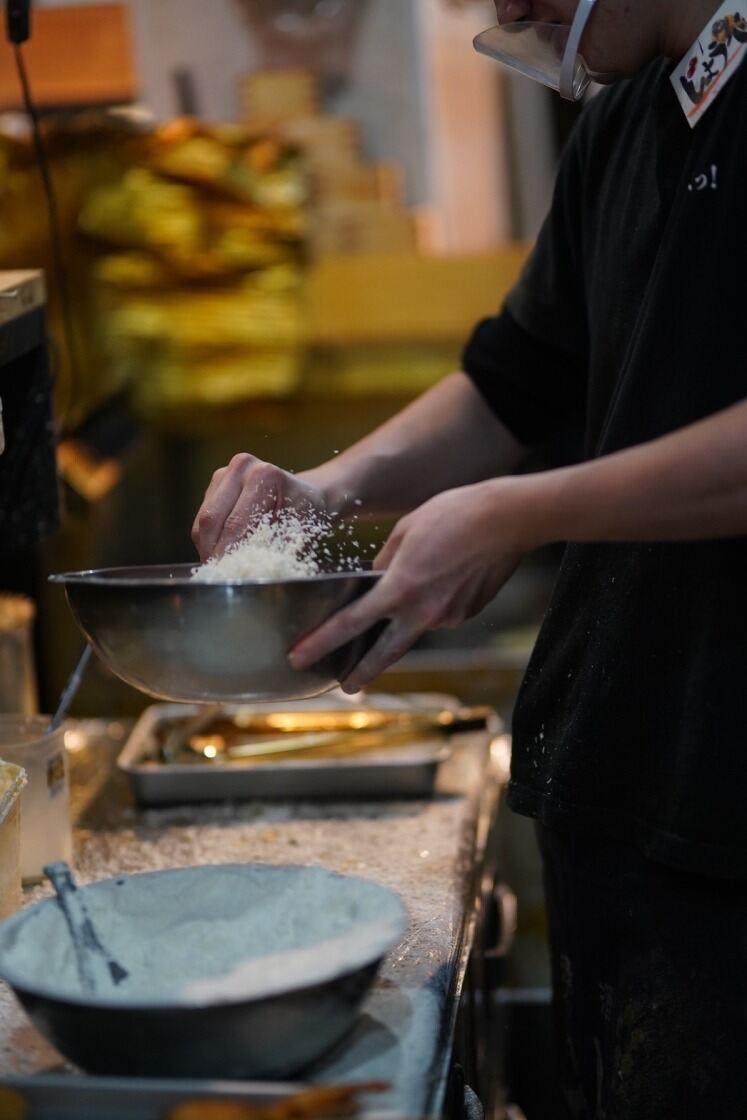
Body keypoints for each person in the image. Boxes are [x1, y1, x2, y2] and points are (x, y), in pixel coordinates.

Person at [193, 1, 747, 1114]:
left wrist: (517, 514)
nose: (502, 12)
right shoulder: (629, 114)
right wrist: (324, 490)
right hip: (618, 781)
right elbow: (515, 381)